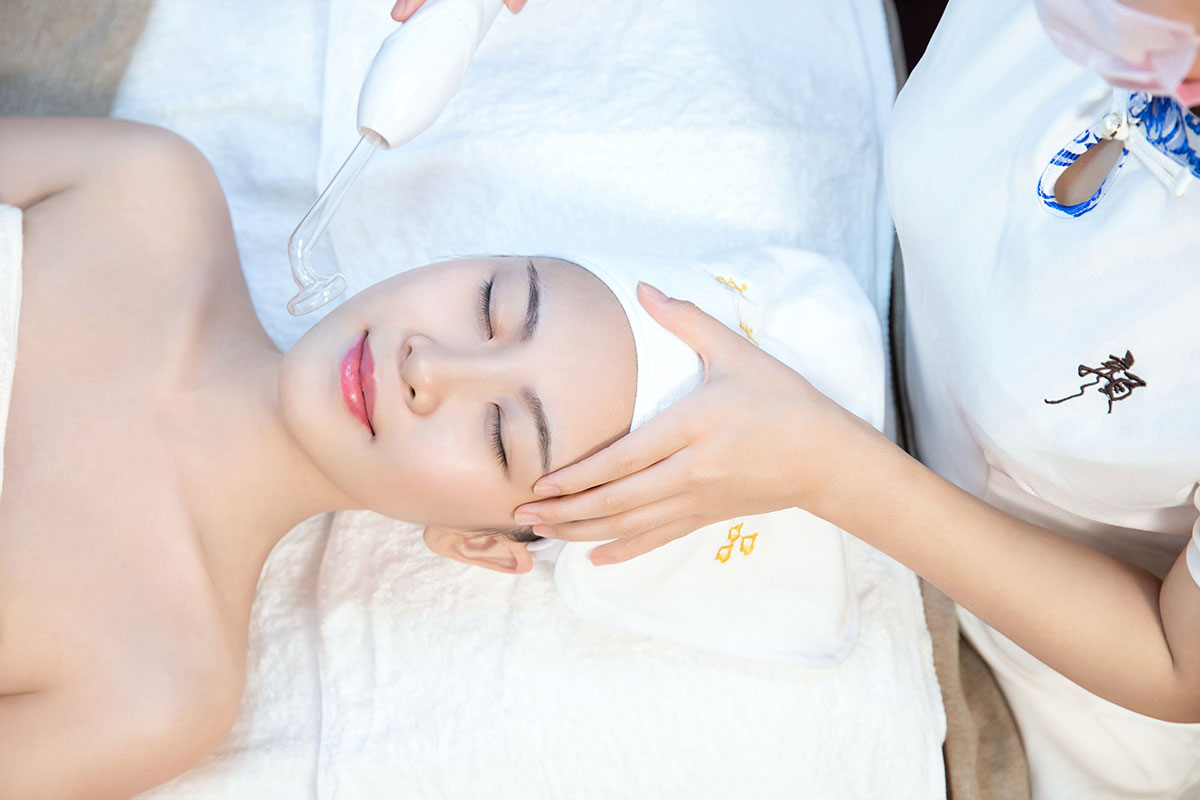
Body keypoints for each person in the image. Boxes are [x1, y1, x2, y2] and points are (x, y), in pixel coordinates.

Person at [507, 0, 1200, 796]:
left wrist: (834, 471)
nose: (422, 367)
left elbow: (1178, 665)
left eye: (504, 428)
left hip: (1038, 676)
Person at [0, 115, 639, 799]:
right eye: (490, 305)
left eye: (498, 434)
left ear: (479, 542)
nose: (427, 365)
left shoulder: (155, 691)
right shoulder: (141, 186)